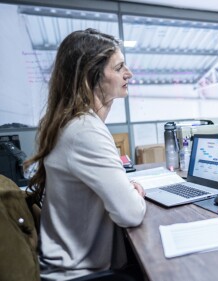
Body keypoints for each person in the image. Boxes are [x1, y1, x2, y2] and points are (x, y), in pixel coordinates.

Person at [23, 28, 146, 280]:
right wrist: (135, 192)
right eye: (119, 67)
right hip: (83, 274)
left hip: (71, 265)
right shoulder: (84, 131)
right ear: (93, 75)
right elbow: (130, 213)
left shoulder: (73, 124)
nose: (128, 73)